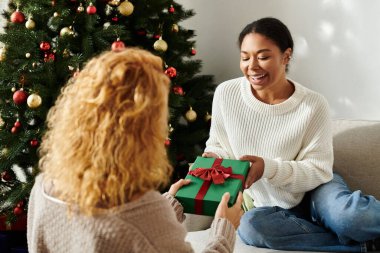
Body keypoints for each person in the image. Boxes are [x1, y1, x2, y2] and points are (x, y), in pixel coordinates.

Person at [26, 48, 244, 253]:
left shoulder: (43, 186)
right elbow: (139, 228)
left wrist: (167, 207)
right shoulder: (145, 218)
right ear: (144, 131)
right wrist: (224, 230)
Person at [202, 17, 380, 252]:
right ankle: (364, 246)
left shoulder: (313, 104)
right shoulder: (227, 94)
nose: (252, 66)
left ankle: (342, 226)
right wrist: (212, 155)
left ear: (286, 56)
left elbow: (318, 169)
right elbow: (220, 143)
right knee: (251, 227)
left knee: (349, 217)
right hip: (270, 204)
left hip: (316, 188)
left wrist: (267, 168)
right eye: (245, 57)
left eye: (263, 57)